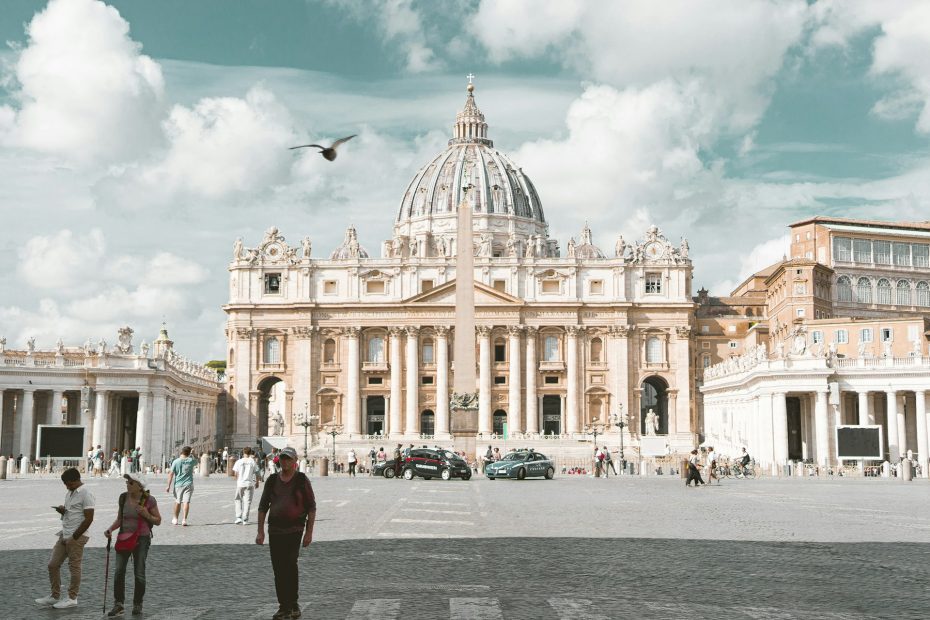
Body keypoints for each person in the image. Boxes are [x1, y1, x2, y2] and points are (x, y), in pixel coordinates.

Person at [256, 447, 317, 620]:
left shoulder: (301, 480)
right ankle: (286, 605)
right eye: (282, 458)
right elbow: (262, 507)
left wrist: (309, 532)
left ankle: (289, 604)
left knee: (290, 565)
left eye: (288, 459)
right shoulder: (272, 480)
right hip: (275, 530)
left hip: (294, 530)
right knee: (278, 569)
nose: (285, 462)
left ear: (295, 461)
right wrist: (260, 531)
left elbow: (311, 508)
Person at [35, 468, 95, 609]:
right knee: (53, 565)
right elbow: (71, 514)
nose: (66, 486)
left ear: (76, 480)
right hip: (64, 533)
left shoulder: (86, 493)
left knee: (74, 567)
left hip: (77, 536)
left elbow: (89, 518)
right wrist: (63, 511)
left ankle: (72, 598)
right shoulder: (70, 493)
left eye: (68, 483)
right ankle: (54, 596)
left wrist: (74, 537)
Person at [104, 472, 161, 617]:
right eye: (127, 482)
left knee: (139, 573)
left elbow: (158, 520)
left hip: (141, 538)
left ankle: (137, 604)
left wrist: (146, 514)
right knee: (119, 572)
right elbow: (119, 519)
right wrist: (110, 529)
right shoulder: (123, 497)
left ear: (139, 486)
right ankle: (119, 604)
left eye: (130, 483)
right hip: (124, 537)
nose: (127, 485)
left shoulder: (148, 500)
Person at [166, 446, 196, 526]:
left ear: (181, 452)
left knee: (178, 501)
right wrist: (193, 454)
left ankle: (175, 519)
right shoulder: (191, 461)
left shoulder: (176, 461)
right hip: (189, 484)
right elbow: (196, 461)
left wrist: (168, 485)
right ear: (189, 453)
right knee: (186, 502)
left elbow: (171, 474)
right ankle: (184, 520)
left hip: (178, 485)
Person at [233, 447, 260, 524]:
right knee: (247, 501)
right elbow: (257, 472)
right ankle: (245, 519)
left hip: (240, 484)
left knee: (238, 500)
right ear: (250, 452)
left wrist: (238, 479)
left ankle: (238, 517)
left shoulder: (239, 461)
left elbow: (235, 474)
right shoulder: (252, 462)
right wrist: (257, 482)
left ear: (243, 452)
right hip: (249, 484)